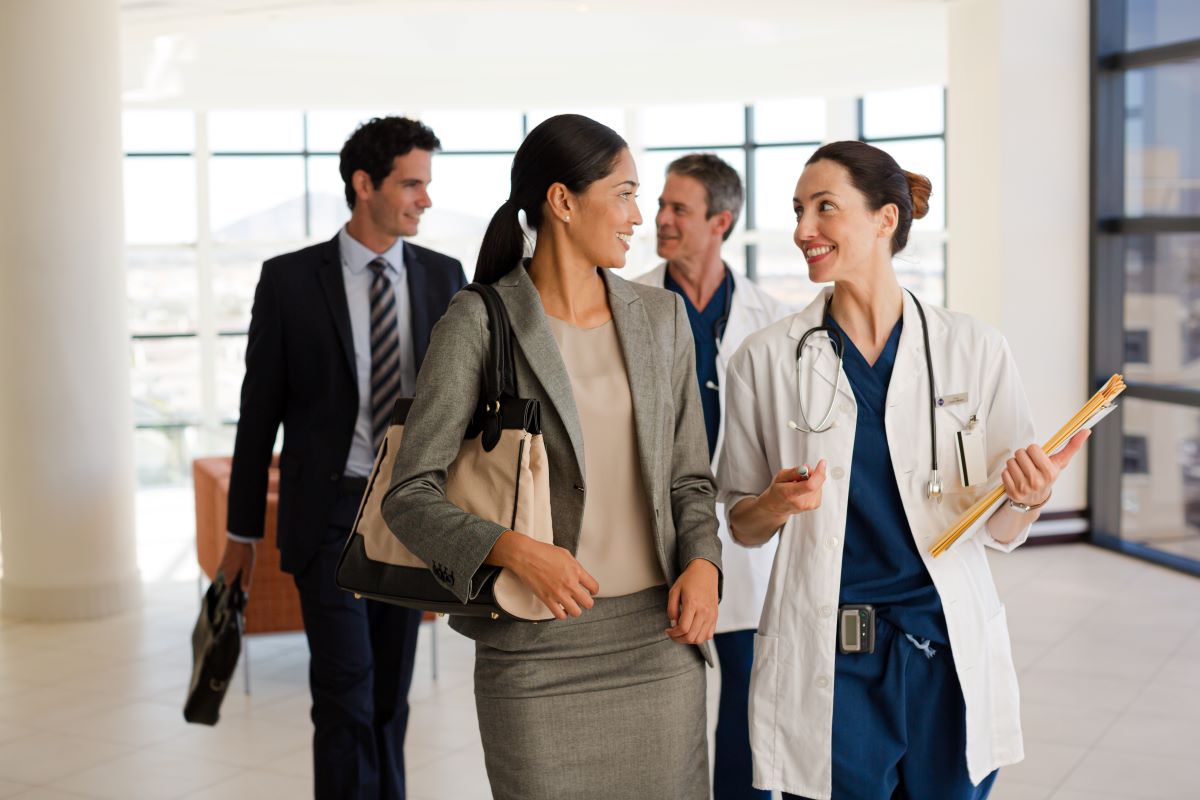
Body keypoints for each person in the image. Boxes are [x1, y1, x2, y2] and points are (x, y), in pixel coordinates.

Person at [716, 140, 1090, 800]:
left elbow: (1003, 525)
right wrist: (774, 504)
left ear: (885, 219)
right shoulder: (765, 358)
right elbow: (742, 524)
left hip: (945, 651)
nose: (804, 230)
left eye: (824, 208)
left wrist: (1029, 497)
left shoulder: (974, 348)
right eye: (798, 210)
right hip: (832, 661)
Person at [381, 114, 723, 800]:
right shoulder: (479, 321)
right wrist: (512, 548)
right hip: (533, 652)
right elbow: (408, 493)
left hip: (657, 644)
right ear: (562, 202)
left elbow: (688, 475)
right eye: (624, 195)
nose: (638, 217)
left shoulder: (662, 320)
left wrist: (705, 562)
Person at [218, 116, 466, 800]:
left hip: (411, 518)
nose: (425, 199)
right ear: (364, 185)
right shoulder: (291, 281)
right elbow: (256, 418)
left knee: (390, 696)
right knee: (344, 692)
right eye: (411, 183)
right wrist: (240, 536)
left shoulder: (445, 277)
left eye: (427, 184)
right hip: (327, 516)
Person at [636, 153, 791, 800]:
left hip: (741, 538)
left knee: (751, 716)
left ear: (720, 221)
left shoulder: (773, 320)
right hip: (651, 534)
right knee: (657, 711)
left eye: (679, 209)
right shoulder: (630, 304)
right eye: (661, 205)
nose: (661, 220)